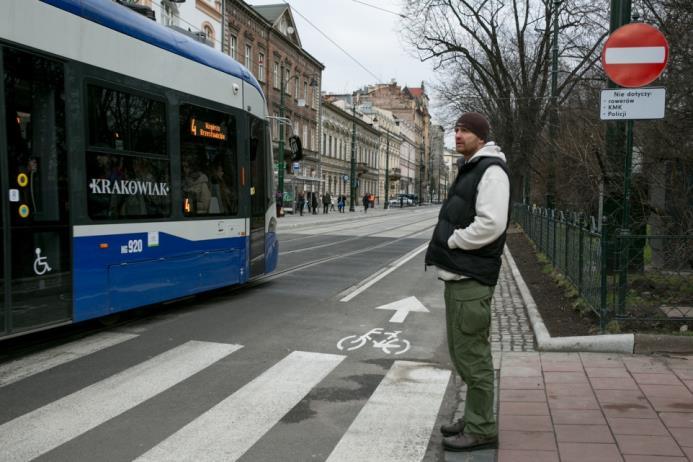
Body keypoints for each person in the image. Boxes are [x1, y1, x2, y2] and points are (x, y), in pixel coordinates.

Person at [424, 112, 509, 452]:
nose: (458, 135)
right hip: (460, 276)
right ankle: (475, 417)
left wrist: (456, 241)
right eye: (456, 130)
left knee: (473, 355)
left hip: (470, 275)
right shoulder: (474, 167)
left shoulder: (490, 171)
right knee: (462, 353)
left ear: (481, 137)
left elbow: (491, 224)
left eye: (465, 131)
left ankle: (482, 428)